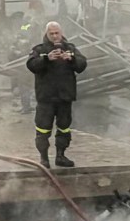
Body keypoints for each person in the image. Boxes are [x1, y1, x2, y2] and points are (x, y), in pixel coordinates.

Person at [25, 22, 87, 167]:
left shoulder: (70, 48)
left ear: (61, 33)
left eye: (56, 33)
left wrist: (71, 59)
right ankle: (44, 158)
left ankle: (61, 156)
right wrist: (46, 58)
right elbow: (31, 65)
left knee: (64, 128)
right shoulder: (39, 49)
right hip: (46, 98)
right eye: (51, 33)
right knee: (42, 129)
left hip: (65, 97)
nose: (54, 36)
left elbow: (82, 65)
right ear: (46, 34)